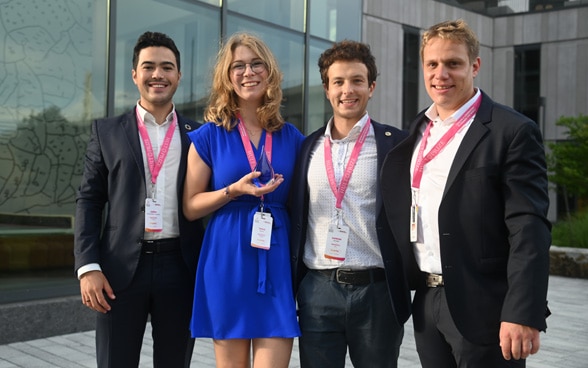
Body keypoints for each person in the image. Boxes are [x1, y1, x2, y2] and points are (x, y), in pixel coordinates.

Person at [380, 19, 552, 368]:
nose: (441, 73)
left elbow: (528, 227)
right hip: (428, 302)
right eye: (432, 64)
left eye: (453, 63)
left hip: (485, 305)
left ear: (475, 65)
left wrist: (522, 311)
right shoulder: (418, 130)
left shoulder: (512, 131)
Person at [74, 31, 205, 368]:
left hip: (181, 266)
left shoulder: (200, 134)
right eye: (148, 67)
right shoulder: (107, 131)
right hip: (118, 272)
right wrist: (88, 267)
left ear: (179, 75)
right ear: (135, 75)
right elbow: (88, 201)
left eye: (167, 67)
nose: (157, 74)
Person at [182, 32, 303, 368]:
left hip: (276, 258)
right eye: (238, 66)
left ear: (270, 72)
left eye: (256, 64)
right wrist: (233, 191)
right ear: (227, 76)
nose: (248, 72)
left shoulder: (291, 137)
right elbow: (190, 207)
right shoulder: (208, 136)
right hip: (227, 257)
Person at [289, 40, 411, 368]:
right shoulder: (306, 148)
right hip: (317, 290)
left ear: (371, 87)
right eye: (338, 82)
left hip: (377, 292)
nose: (348, 90)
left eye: (357, 80)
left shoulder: (397, 145)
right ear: (327, 88)